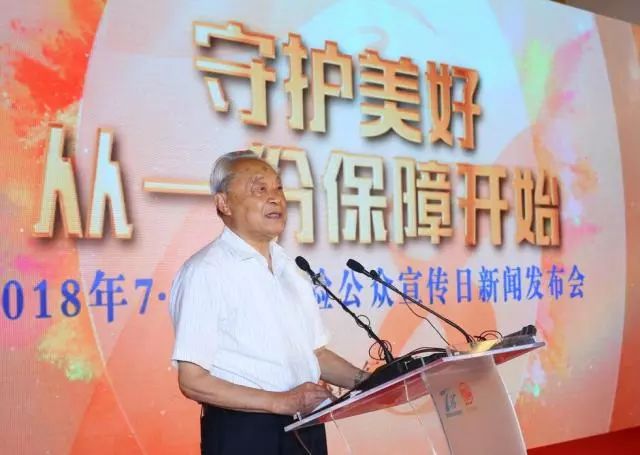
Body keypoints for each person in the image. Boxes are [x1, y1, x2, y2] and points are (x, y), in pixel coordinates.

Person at [169, 151, 368, 454]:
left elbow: (315, 355)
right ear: (224, 203)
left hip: (306, 424)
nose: (275, 198)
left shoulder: (291, 269)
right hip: (244, 433)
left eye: (278, 188)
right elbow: (192, 380)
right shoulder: (206, 271)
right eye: (260, 189)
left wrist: (370, 382)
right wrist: (281, 402)